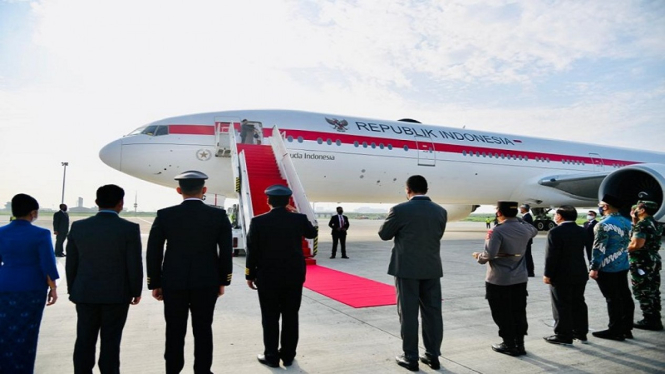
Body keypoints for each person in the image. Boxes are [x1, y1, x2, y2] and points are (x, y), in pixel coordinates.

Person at [147, 170, 233, 374]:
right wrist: (223, 281)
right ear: (204, 190)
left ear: (179, 190)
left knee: (174, 330)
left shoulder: (165, 215)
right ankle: (202, 371)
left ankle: (173, 370)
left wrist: (155, 282)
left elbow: (154, 251)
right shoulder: (218, 215)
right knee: (203, 329)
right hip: (206, 281)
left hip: (173, 282)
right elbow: (225, 252)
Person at [66, 184, 143, 374]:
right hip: (117, 295)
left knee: (84, 339)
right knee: (111, 341)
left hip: (84, 293)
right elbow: (134, 264)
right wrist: (136, 291)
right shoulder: (129, 229)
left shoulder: (79, 226)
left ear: (96, 202)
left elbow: (71, 263)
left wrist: (73, 289)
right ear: (121, 203)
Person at [378, 175, 447, 371]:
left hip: (406, 269)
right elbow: (437, 235)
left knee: (408, 314)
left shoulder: (399, 210)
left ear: (408, 190)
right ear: (426, 189)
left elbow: (384, 235)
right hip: (432, 268)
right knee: (433, 313)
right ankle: (433, 356)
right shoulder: (440, 211)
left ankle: (411, 357)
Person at [245, 185, 318, 368]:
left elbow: (252, 251)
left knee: (269, 317)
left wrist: (250, 274)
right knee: (291, 316)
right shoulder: (298, 219)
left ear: (268, 201)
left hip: (267, 277)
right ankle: (288, 355)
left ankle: (271, 356)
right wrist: (296, 213)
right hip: (293, 276)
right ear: (288, 202)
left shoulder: (258, 221)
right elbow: (312, 232)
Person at [0, 193, 59, 373]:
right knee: (27, 334)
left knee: (5, 333)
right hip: (31, 288)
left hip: (5, 285)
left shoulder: (1, 232)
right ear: (33, 213)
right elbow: (48, 263)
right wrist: (53, 288)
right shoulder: (41, 234)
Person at [472, 201, 538, 356]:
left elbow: (489, 255)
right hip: (520, 278)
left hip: (499, 279)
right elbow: (534, 230)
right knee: (518, 311)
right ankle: (519, 344)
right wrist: (518, 218)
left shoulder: (497, 231)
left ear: (499, 213)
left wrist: (478, 257)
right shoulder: (525, 229)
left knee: (501, 312)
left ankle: (509, 344)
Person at [589, 194, 634, 341]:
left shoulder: (603, 224)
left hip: (607, 267)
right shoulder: (628, 222)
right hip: (623, 263)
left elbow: (599, 248)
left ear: (606, 206)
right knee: (625, 296)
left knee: (612, 299)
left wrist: (594, 267)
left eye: (601, 205)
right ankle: (626, 328)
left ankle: (615, 330)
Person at [542, 206, 589, 345]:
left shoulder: (555, 232)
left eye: (556, 214)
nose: (555, 217)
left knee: (561, 305)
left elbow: (551, 256)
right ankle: (581, 332)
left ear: (560, 216)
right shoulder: (582, 230)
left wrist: (547, 274)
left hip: (561, 275)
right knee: (578, 303)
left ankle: (563, 335)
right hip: (580, 272)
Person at [627, 199, 663, 331]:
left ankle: (649, 320)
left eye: (636, 208)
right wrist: (634, 220)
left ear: (642, 210)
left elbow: (637, 244)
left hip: (641, 262)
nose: (634, 211)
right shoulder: (656, 224)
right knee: (653, 289)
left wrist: (624, 250)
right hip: (653, 260)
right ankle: (655, 318)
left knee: (642, 290)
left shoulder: (642, 224)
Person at [519, 204, 535, 277]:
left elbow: (526, 229)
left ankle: (530, 272)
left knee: (527, 256)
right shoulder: (526, 216)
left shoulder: (527, 217)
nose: (520, 209)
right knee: (526, 255)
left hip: (526, 239)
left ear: (524, 209)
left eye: (521, 208)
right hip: (527, 239)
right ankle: (528, 271)